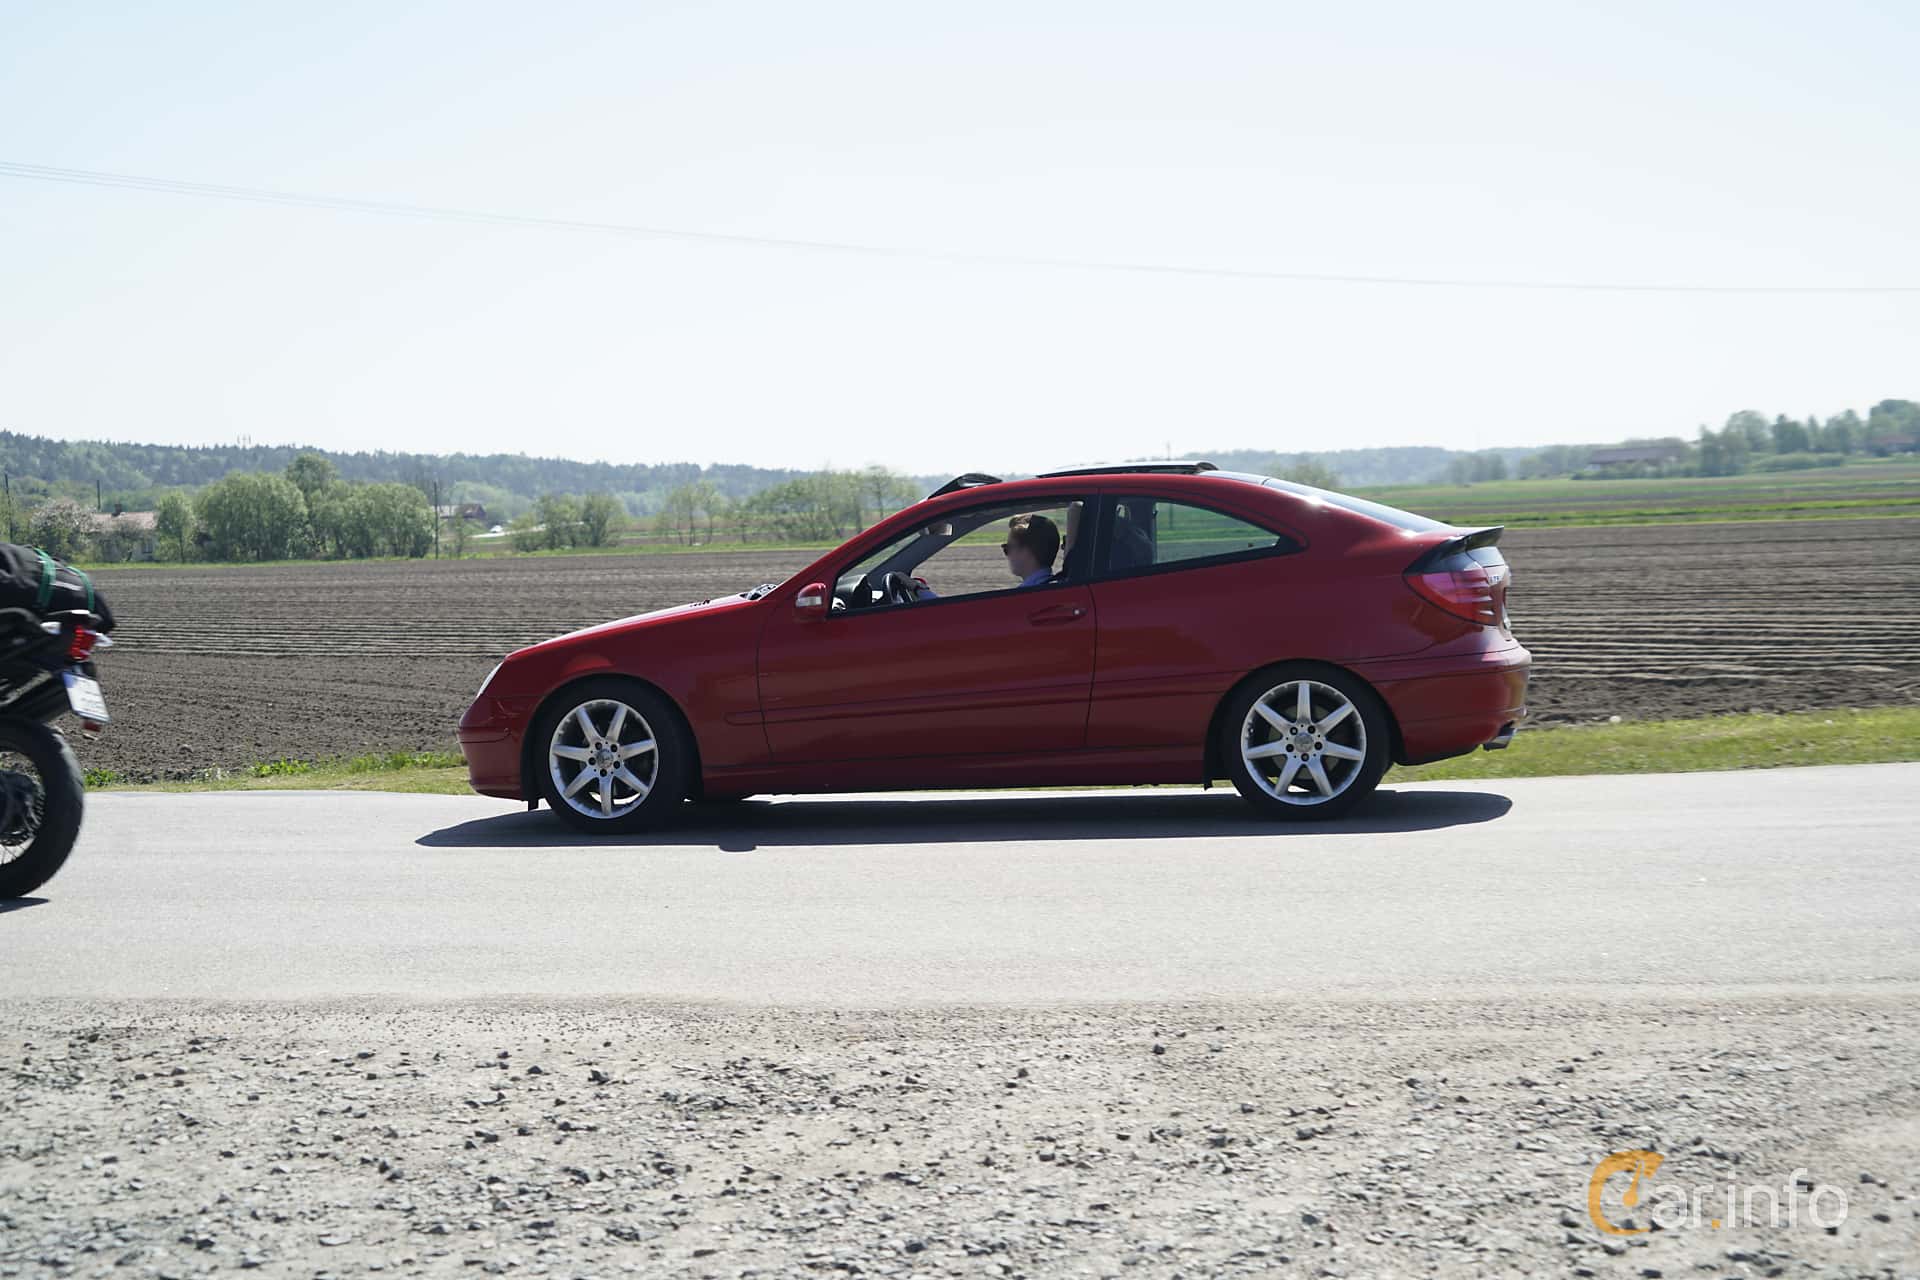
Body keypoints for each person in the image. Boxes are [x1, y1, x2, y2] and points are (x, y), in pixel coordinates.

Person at [1003, 512, 1061, 588]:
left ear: (1027, 551)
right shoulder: (1057, 586)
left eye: (1008, 548)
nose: (1008, 555)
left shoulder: (1023, 595)